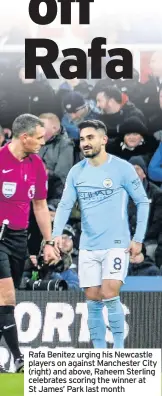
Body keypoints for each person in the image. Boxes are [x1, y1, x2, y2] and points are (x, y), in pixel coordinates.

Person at [52, 119, 150, 349]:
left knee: (109, 291)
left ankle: (118, 350)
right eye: (82, 139)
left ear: (103, 139)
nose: (85, 143)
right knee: (93, 298)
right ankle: (100, 353)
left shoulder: (122, 168)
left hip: (116, 243)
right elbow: (65, 205)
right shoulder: (77, 172)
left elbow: (143, 202)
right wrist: (55, 234)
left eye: (90, 138)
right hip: (88, 245)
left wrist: (138, 239)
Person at [0, 114, 57, 373]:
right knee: (7, 296)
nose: (42, 142)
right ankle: (18, 357)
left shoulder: (36, 165)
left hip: (18, 238)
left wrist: (49, 241)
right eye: (39, 138)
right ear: (24, 137)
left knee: (4, 302)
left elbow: (41, 206)